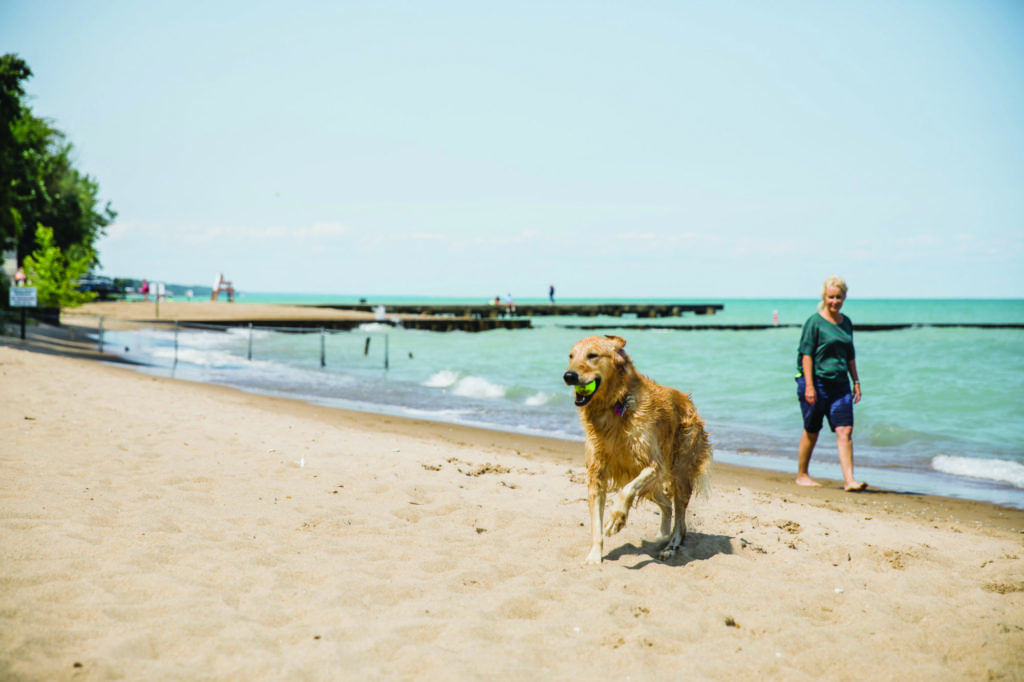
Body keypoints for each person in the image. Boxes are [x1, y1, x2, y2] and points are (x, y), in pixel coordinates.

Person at [795, 275, 866, 491]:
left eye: (839, 297)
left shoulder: (847, 323)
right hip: (815, 383)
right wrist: (809, 386)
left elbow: (850, 354)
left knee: (845, 430)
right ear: (824, 297)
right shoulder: (814, 323)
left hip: (841, 385)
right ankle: (802, 474)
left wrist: (856, 380)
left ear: (844, 297)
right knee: (812, 429)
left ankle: (849, 480)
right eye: (831, 297)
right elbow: (806, 355)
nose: (835, 301)